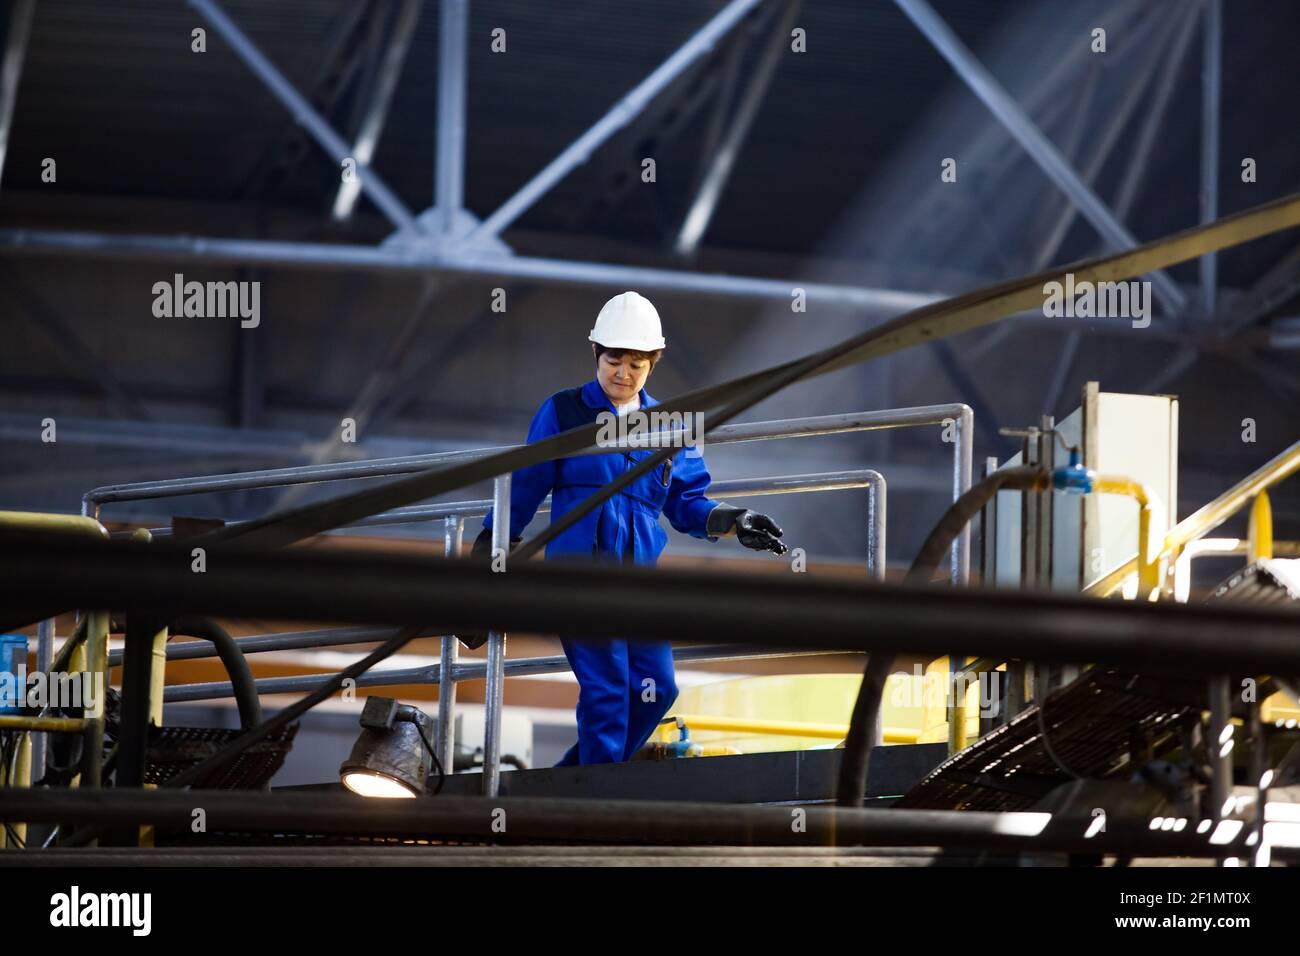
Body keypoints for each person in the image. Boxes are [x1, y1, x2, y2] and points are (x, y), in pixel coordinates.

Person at [470, 291, 787, 766]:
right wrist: (489, 550)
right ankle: (596, 796)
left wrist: (734, 520)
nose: (623, 373)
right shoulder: (564, 411)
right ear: (596, 353)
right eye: (613, 361)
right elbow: (525, 486)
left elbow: (687, 502)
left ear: (653, 363)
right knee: (609, 690)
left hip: (638, 583)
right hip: (579, 577)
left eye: (636, 364)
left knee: (657, 688)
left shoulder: (669, 427)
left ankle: (577, 783)